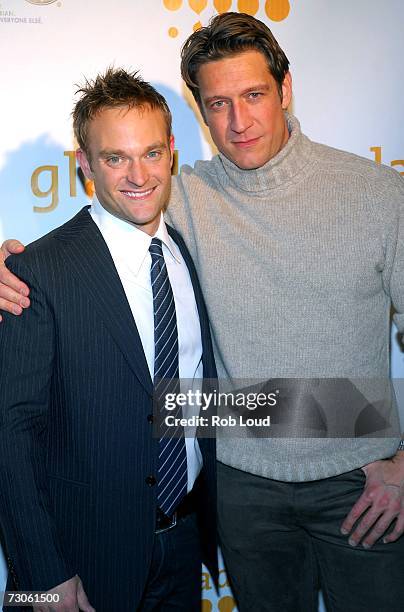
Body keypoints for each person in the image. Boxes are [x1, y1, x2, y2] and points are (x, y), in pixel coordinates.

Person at [1, 11, 404, 612]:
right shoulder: (179, 192)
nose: (238, 122)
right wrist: (10, 262)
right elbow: (99, 225)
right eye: (217, 104)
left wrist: (401, 461)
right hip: (237, 487)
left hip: (363, 479)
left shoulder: (378, 193)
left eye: (254, 95)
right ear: (198, 111)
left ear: (286, 89)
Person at [0, 68, 218, 612]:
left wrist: (359, 426)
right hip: (80, 559)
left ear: (170, 152)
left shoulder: (187, 255)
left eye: (149, 153)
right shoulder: (38, 270)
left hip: (185, 543)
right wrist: (42, 574)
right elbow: (10, 429)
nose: (138, 174)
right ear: (85, 165)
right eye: (115, 158)